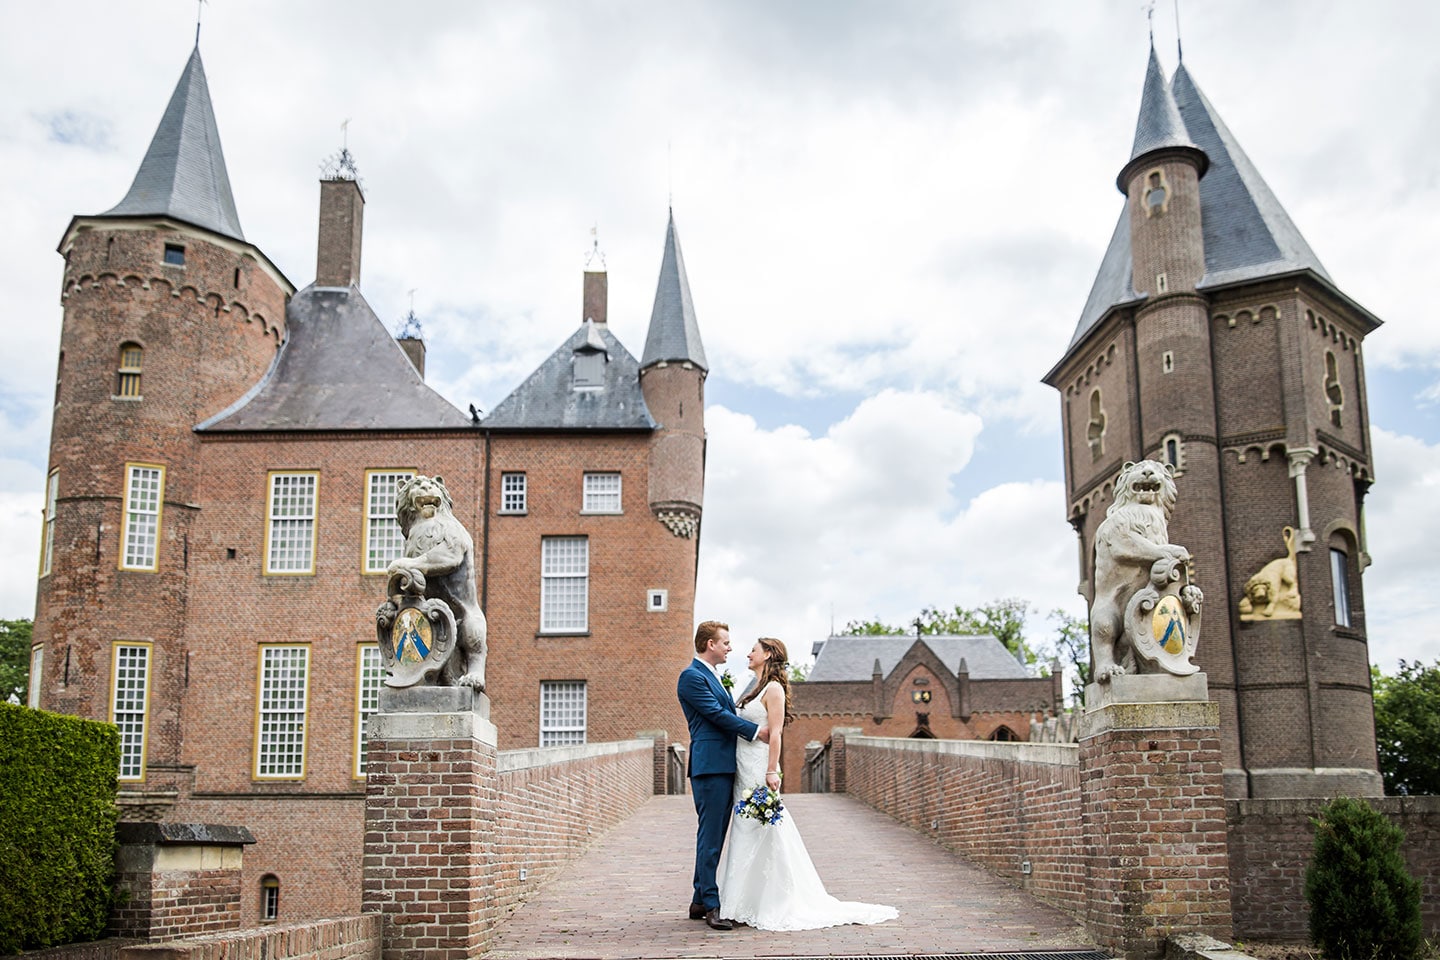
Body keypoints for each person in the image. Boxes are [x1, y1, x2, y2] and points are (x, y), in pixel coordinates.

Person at [718, 637, 898, 930]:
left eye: (754, 649)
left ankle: (769, 902)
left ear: (768, 655)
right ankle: (741, 901)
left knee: (760, 829)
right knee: (746, 829)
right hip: (744, 767)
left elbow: (775, 733)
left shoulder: (773, 689)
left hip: (758, 769)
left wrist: (772, 771)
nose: (748, 653)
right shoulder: (755, 687)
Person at [676, 620, 769, 930]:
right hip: (710, 765)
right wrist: (757, 731)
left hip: (723, 765)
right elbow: (716, 716)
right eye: (725, 642)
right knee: (711, 837)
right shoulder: (691, 677)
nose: (730, 647)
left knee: (712, 835)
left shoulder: (713, 675)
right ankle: (712, 906)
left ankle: (699, 899)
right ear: (709, 645)